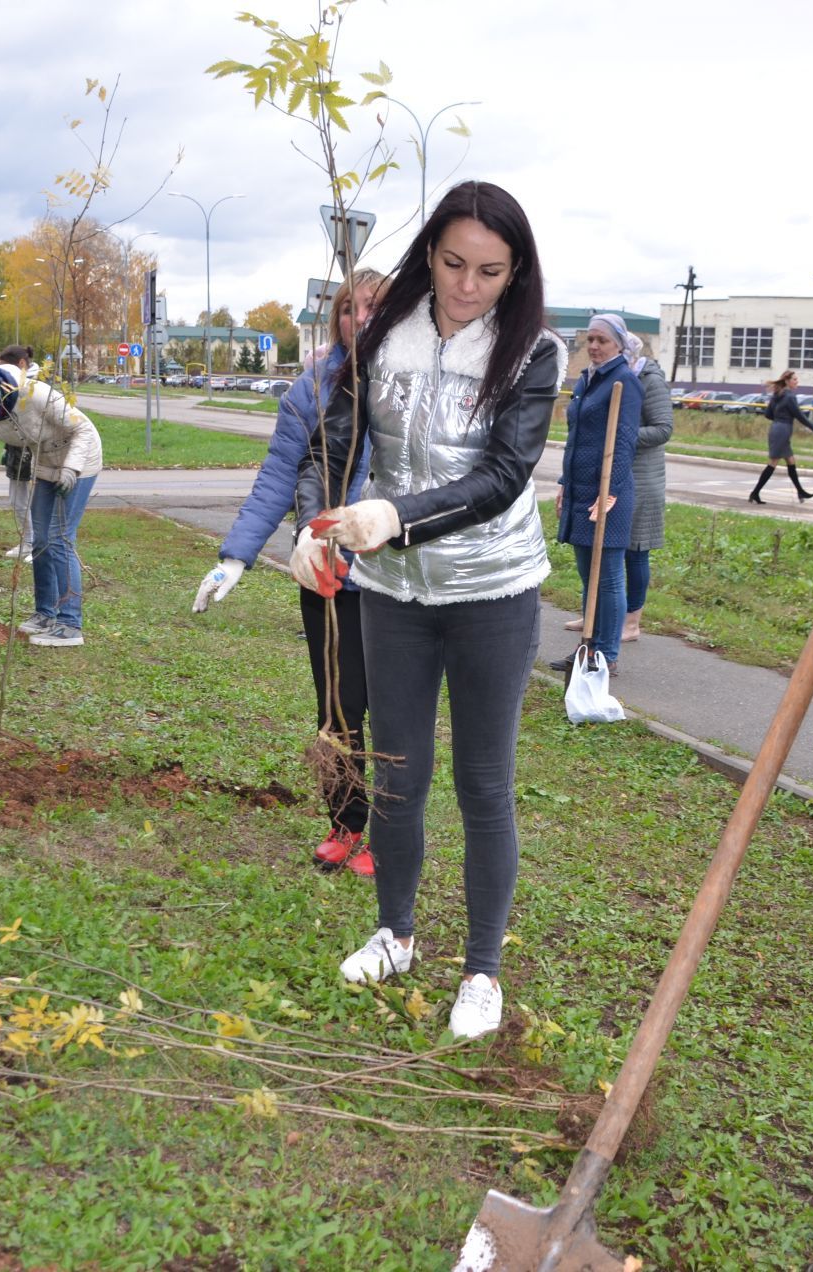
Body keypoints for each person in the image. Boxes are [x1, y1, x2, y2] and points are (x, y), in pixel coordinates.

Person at [293, 180, 563, 1040]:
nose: (466, 286)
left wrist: (394, 517)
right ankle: (396, 932)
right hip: (394, 594)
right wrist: (322, 523)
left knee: (484, 783)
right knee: (396, 775)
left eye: (490, 270)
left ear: (515, 271)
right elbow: (339, 441)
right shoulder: (382, 336)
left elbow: (502, 479)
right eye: (452, 263)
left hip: (491, 591)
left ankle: (482, 969)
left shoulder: (533, 353)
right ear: (429, 255)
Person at [192, 268, 388, 877]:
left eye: (376, 307)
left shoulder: (406, 385)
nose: (363, 319)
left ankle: (388, 834)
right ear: (336, 319)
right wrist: (236, 556)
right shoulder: (311, 387)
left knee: (393, 707)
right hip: (325, 570)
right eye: (352, 308)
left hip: (391, 573)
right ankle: (345, 821)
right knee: (335, 706)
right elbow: (281, 472)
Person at [0, 358, 103, 648]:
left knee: (59, 539)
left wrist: (71, 468)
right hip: (45, 465)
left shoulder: (35, 395)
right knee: (39, 540)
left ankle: (70, 624)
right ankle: (46, 613)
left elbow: (84, 430)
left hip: (81, 461)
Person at [550, 314, 640, 672]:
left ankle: (606, 655)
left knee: (609, 578)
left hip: (606, 492)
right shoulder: (589, 380)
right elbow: (576, 440)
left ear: (618, 343)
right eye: (590, 340)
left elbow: (625, 441)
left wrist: (612, 490)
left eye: (602, 340)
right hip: (581, 488)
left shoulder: (624, 381)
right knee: (590, 578)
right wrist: (562, 483)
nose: (594, 346)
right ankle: (588, 647)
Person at [622, 332, 673, 642]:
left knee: (636, 551)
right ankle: (598, 614)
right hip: (616, 474)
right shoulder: (613, 376)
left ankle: (632, 621)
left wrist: (621, 434)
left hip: (643, 477)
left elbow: (663, 428)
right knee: (607, 550)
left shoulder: (649, 380)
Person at [0, 345, 40, 562]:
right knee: (16, 500)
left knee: (33, 500)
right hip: (15, 448)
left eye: (5, 367)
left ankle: (36, 545)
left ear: (21, 363)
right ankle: (27, 541)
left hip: (33, 450)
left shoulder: (34, 385)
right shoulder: (9, 384)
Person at [748, 368, 813, 504]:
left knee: (791, 461)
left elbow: (768, 414)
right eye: (795, 379)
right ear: (787, 381)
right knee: (772, 463)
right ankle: (755, 493)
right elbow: (799, 415)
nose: (797, 382)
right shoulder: (790, 396)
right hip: (783, 431)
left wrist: (780, 416)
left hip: (776, 429)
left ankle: (800, 491)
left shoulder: (777, 394)